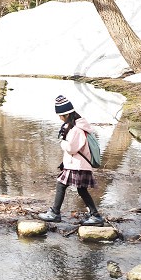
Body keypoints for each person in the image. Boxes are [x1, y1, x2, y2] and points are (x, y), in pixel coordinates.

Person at [38, 95, 104, 226]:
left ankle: (55, 213)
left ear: (66, 115)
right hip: (78, 164)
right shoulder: (77, 126)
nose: (59, 118)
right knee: (81, 190)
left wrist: (63, 141)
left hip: (77, 165)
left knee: (61, 185)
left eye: (60, 116)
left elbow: (71, 148)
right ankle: (95, 215)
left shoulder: (77, 129)